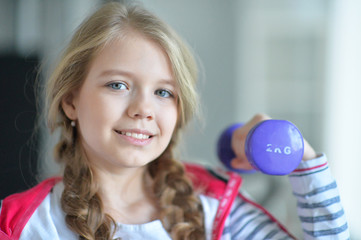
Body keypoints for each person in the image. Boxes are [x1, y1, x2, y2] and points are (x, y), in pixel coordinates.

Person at [0, 2, 349, 240]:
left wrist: (301, 156)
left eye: (164, 92)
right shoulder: (25, 225)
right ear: (71, 100)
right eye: (118, 85)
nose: (143, 109)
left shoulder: (213, 213)